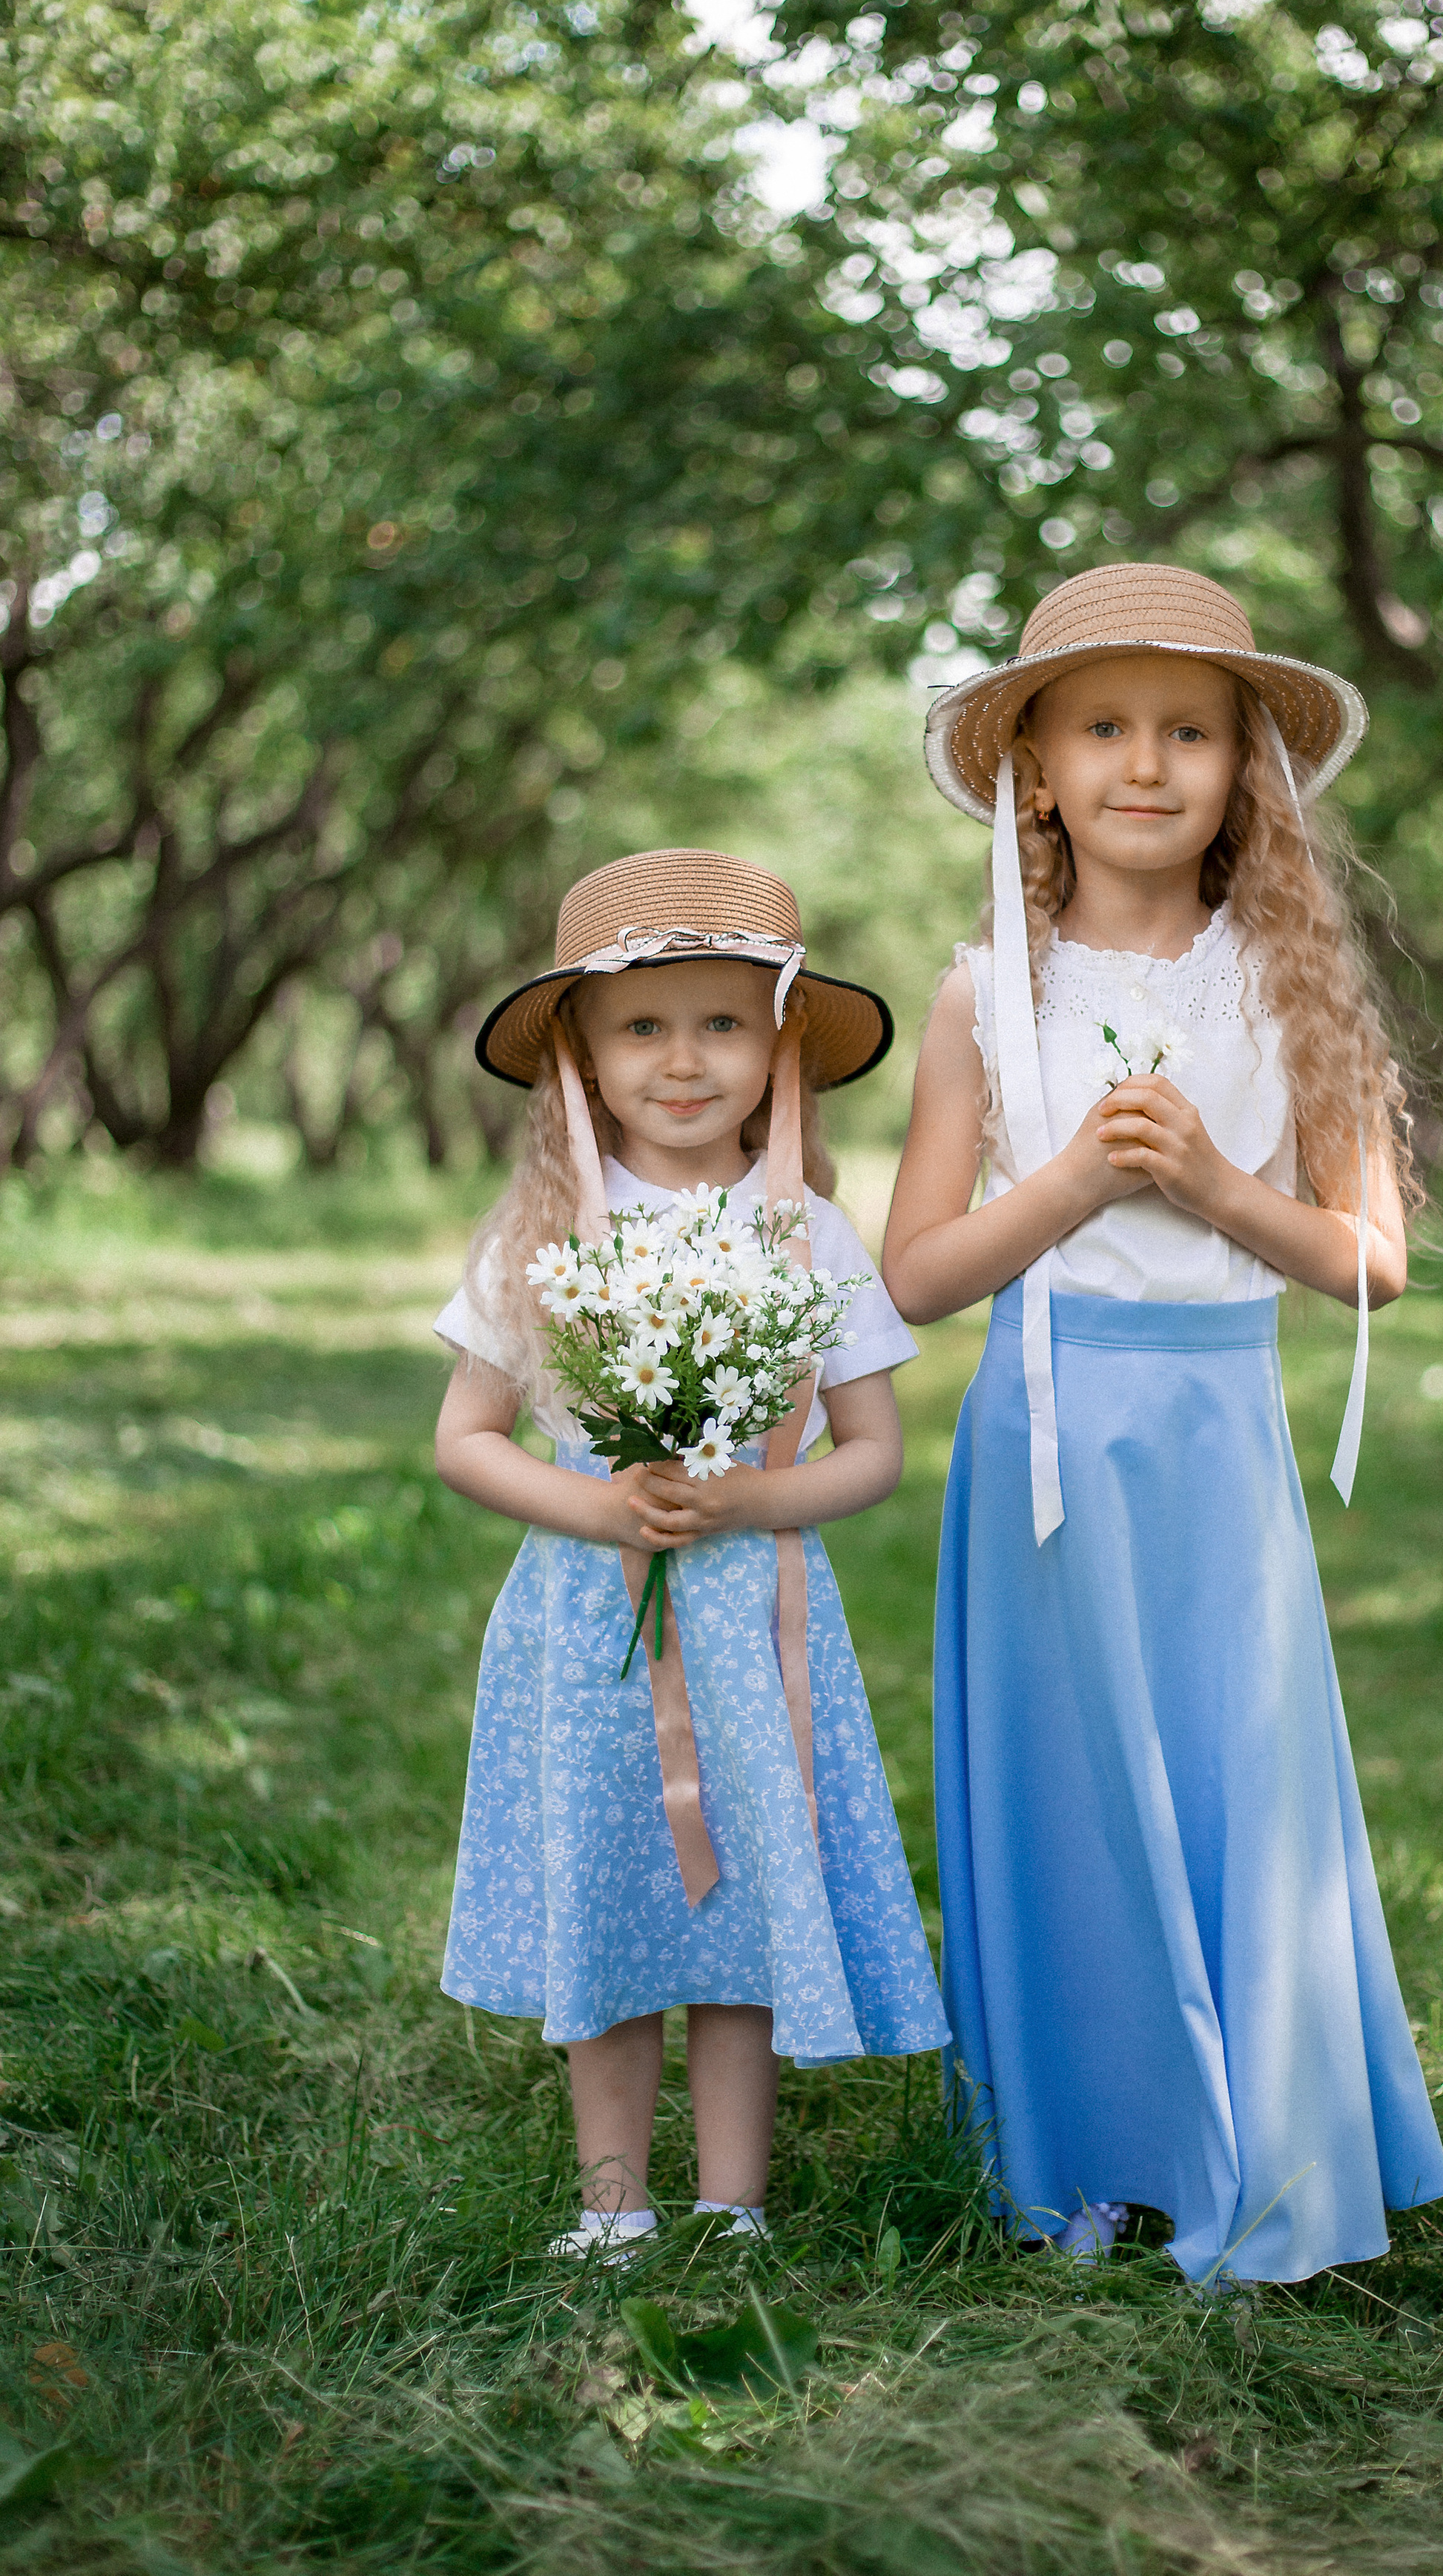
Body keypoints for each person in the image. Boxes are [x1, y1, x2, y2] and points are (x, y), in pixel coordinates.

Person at [885, 563, 1443, 2283]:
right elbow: (912, 1278)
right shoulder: (987, 991)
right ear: (1031, 773)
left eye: (1190, 730)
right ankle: (1085, 2154)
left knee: (1230, 1776)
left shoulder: (1292, 992)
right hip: (1044, 1442)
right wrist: (1068, 1181)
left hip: (1215, 1447)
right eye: (1104, 728)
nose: (1148, 763)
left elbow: (1372, 1265)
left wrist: (1211, 1182)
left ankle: (1266, 2138)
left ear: (1243, 771)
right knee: (1066, 1791)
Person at [433, 847, 948, 2261]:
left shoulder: (811, 1235)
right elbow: (466, 1435)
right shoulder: (541, 1234)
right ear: (583, 1059)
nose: (683, 1059)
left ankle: (732, 2207)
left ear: (781, 1050)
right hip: (588, 1625)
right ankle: (616, 2206)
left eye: (724, 1022)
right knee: (611, 1902)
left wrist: (745, 1503)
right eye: (643, 1026)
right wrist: (601, 1504)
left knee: (745, 1909)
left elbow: (873, 1452)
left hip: (754, 1616)